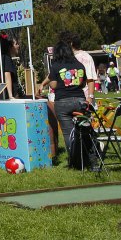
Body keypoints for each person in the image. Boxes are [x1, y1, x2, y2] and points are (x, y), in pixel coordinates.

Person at [48, 38, 97, 168]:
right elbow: (83, 82)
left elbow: (53, 84)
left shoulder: (56, 66)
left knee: (68, 134)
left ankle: (76, 163)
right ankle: (91, 159)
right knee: (85, 131)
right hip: (80, 100)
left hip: (62, 102)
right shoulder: (80, 66)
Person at [63, 32, 97, 106]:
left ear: (71, 43)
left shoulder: (85, 58)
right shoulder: (65, 58)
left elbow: (90, 79)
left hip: (84, 99)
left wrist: (90, 97)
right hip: (68, 99)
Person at [0, 34, 24, 99]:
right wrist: (11, 96)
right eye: (16, 44)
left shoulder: (7, 58)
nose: (18, 46)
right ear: (10, 47)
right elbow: (7, 75)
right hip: (10, 97)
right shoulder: (6, 58)